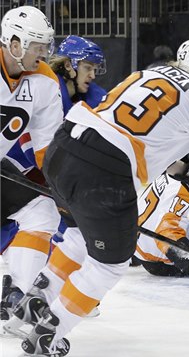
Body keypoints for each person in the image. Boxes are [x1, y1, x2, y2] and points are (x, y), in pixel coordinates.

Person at [6, 38, 189, 356]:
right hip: (105, 172)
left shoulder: (146, 75)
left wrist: (185, 167)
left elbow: (136, 130)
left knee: (74, 237)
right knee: (109, 265)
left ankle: (31, 305)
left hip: (64, 148)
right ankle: (48, 334)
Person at [1, 34, 108, 323]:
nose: (93, 74)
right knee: (46, 222)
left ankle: (22, 292)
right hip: (22, 171)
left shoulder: (88, 97)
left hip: (40, 176)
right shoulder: (45, 88)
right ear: (71, 66)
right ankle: (18, 289)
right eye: (88, 67)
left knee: (52, 221)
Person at [0, 6, 63, 322]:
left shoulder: (45, 81)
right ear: (13, 44)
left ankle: (20, 298)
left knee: (43, 210)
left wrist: (63, 186)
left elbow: (48, 147)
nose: (44, 53)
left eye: (45, 45)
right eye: (37, 45)